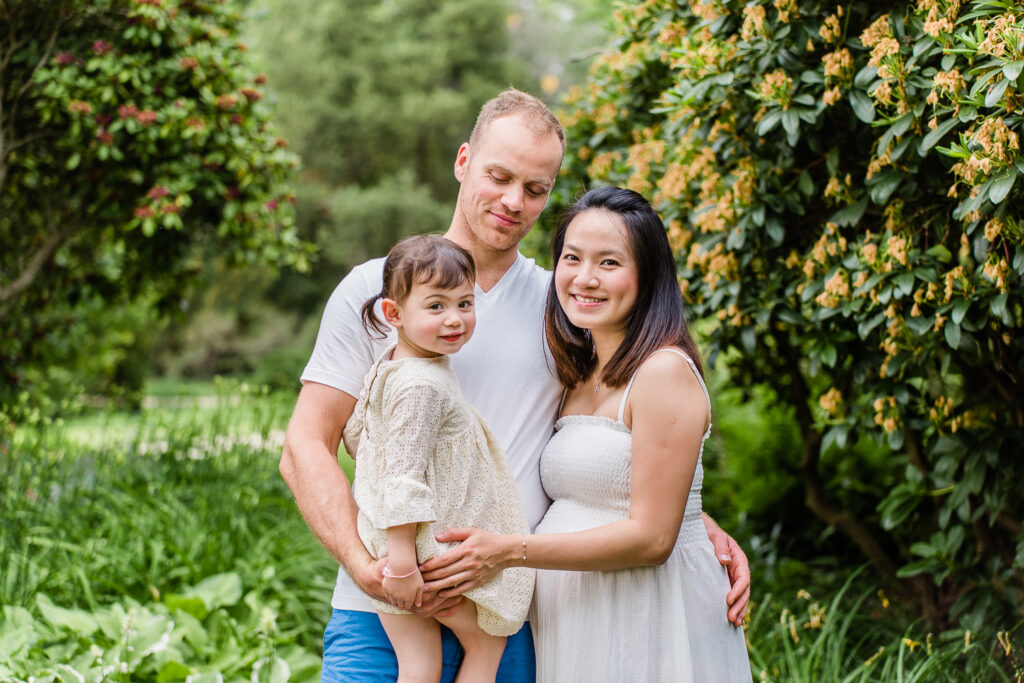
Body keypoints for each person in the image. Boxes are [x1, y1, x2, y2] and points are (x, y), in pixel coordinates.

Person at [279, 88, 751, 683]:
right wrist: (367, 565)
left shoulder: (568, 304)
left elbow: (613, 433)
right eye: (498, 176)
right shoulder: (378, 290)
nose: (512, 202)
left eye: (535, 189)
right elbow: (304, 448)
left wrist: (687, 517)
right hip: (382, 610)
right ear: (462, 161)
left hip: (508, 618)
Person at [423, 186, 752, 681]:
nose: (585, 278)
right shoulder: (578, 373)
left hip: (646, 611)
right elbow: (627, 482)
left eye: (609, 263)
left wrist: (508, 550)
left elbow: (653, 537)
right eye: (572, 258)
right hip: (578, 620)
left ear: (648, 274)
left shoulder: (662, 371)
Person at [345, 234, 534, 682]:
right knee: (488, 643)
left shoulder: (390, 367)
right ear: (394, 314)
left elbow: (358, 437)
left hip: (384, 543)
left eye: (465, 304)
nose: (455, 319)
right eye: (436, 306)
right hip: (418, 556)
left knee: (419, 665)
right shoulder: (423, 384)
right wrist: (405, 566)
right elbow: (403, 478)